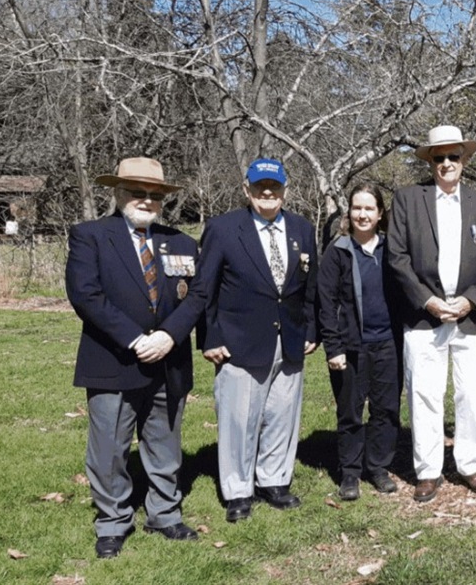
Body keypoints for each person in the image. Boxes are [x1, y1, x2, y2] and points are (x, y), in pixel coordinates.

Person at [66, 157, 205, 558]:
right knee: (109, 448)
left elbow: (196, 296)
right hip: (113, 359)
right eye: (136, 192)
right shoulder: (90, 235)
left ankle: (164, 513)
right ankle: (113, 521)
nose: (146, 201)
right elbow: (86, 295)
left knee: (165, 443)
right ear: (118, 193)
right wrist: (134, 339)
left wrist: (169, 335)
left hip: (168, 358)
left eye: (154, 195)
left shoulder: (180, 241)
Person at [195, 158, 318, 522]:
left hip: (291, 338)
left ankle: (274, 481)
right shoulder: (223, 228)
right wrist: (209, 337)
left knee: (283, 414)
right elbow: (205, 289)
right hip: (239, 341)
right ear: (247, 190)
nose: (268, 193)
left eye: (275, 186)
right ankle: (238, 490)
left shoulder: (301, 228)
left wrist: (312, 329)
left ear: (285, 189)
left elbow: (309, 288)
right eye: (260, 186)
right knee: (238, 419)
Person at [387, 125, 476, 503]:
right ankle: (428, 470)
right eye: (440, 158)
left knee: (473, 393)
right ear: (430, 162)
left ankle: (470, 463)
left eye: (454, 156)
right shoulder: (408, 200)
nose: (447, 164)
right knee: (425, 392)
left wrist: (470, 301)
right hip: (425, 315)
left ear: (465, 160)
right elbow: (397, 258)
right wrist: (427, 300)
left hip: (469, 315)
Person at [318, 186, 401, 499]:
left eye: (369, 209)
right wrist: (334, 347)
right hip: (352, 347)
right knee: (350, 412)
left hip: (389, 344)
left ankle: (378, 467)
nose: (363, 215)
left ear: (380, 214)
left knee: (387, 410)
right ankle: (350, 473)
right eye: (357, 208)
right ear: (348, 213)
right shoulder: (337, 251)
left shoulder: (393, 250)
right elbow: (325, 303)